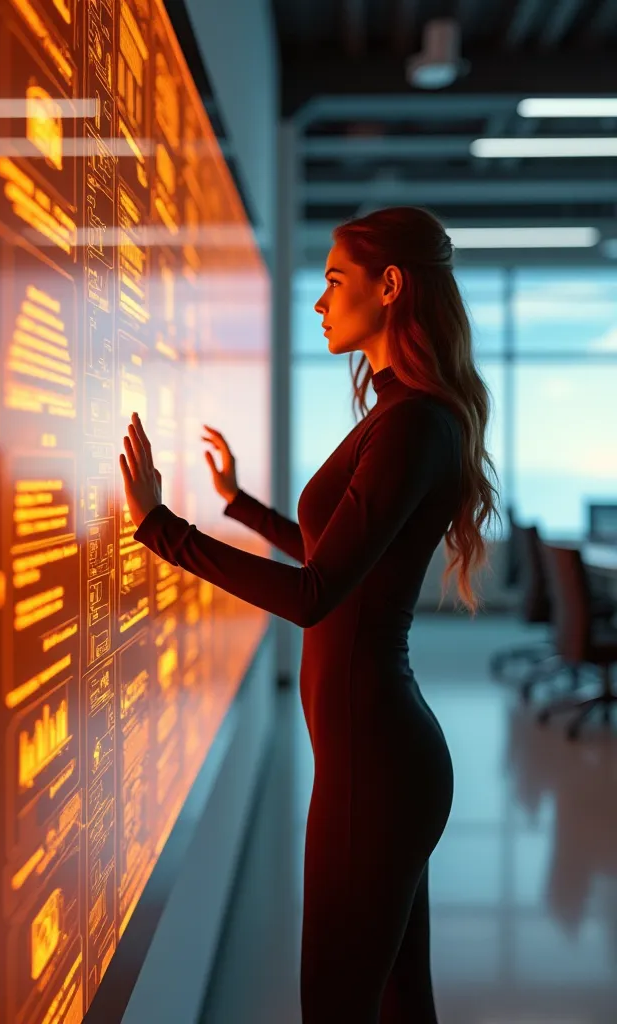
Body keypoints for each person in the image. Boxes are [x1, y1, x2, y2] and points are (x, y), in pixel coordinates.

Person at [119, 205, 502, 1023]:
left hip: (375, 767)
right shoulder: (404, 416)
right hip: (383, 760)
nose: (322, 302)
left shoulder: (411, 425)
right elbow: (338, 560)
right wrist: (238, 505)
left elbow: (316, 595)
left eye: (335, 281)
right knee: (399, 1007)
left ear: (389, 287)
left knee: (337, 1009)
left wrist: (163, 529)